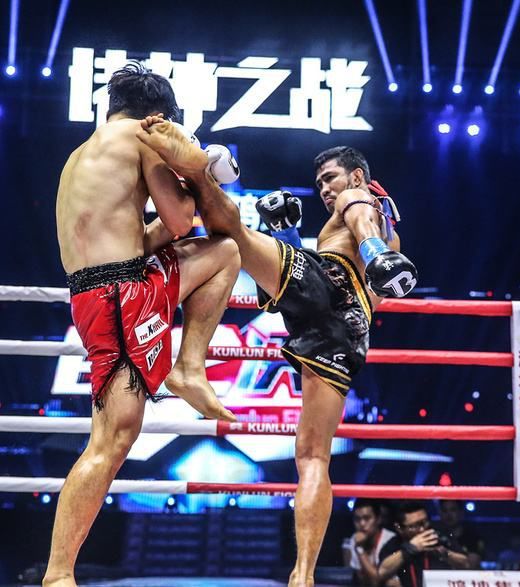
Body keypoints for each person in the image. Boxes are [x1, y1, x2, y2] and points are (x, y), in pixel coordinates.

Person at [135, 122, 418, 587]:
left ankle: (201, 168)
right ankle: (302, 576)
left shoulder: (361, 200)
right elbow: (338, 290)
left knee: (230, 236)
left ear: (356, 175)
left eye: (330, 177)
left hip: (330, 289)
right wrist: (289, 235)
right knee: (312, 457)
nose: (325, 188)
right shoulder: (390, 227)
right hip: (348, 333)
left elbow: (355, 220)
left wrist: (374, 252)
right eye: (319, 182)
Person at [44, 63, 239, 587]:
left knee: (109, 437)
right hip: (120, 295)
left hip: (93, 293)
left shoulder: (81, 155)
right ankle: (58, 575)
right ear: (159, 115)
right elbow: (179, 223)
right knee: (112, 438)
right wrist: (195, 177)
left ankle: (59, 573)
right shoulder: (145, 136)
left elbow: (130, 239)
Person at [378, 501, 470, 587]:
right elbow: (382, 572)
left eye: (424, 522)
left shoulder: (438, 534)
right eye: (414, 526)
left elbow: (466, 564)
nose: (422, 529)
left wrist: (445, 553)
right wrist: (410, 548)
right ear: (399, 528)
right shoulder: (394, 544)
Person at [342, 499, 396, 586]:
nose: (362, 524)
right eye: (357, 519)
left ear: (378, 519)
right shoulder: (355, 539)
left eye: (367, 518)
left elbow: (376, 582)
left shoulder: (391, 540)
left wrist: (360, 549)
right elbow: (362, 580)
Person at [435, 499, 484, 569]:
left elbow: (472, 564)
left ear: (461, 512)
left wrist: (447, 554)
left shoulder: (473, 537)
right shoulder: (435, 537)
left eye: (453, 510)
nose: (449, 515)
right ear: (440, 514)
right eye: (444, 511)